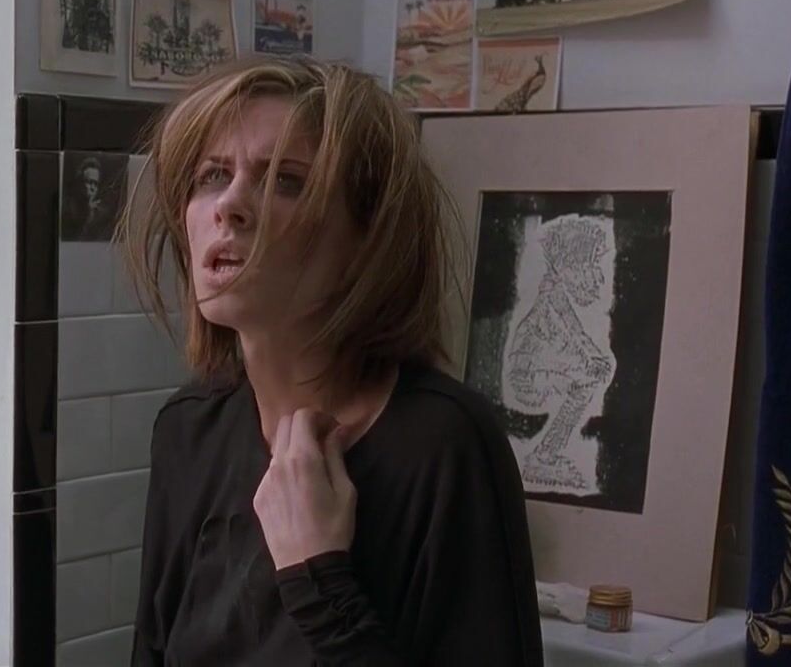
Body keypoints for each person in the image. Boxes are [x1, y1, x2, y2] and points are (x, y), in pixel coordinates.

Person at [119, 56, 543, 666]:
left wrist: (317, 578)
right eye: (213, 175)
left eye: (285, 181)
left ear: (367, 241)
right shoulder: (188, 429)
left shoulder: (443, 446)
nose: (230, 205)